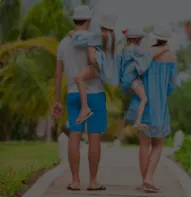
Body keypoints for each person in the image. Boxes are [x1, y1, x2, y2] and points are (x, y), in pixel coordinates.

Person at [52, 5, 107, 191]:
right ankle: (93, 181)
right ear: (89, 21)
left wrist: (57, 100)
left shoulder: (63, 43)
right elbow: (100, 65)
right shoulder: (93, 40)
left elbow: (58, 74)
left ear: (74, 21)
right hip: (96, 94)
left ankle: (75, 181)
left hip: (74, 94)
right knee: (94, 137)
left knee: (74, 134)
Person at [125, 24, 177, 193]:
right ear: (167, 39)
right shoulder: (171, 56)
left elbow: (135, 74)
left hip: (143, 102)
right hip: (159, 105)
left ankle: (144, 181)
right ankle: (149, 178)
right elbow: (172, 84)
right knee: (158, 144)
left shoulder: (146, 52)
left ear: (154, 37)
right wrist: (162, 93)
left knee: (143, 145)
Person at [69, 14, 119, 124]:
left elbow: (79, 43)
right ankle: (86, 108)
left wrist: (73, 35)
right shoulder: (113, 37)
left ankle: (85, 108)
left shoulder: (100, 36)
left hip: (97, 67)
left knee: (78, 78)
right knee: (82, 79)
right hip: (107, 71)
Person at [119, 27, 169, 130]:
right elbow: (149, 54)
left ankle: (129, 117)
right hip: (132, 79)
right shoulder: (134, 49)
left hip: (127, 79)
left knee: (139, 96)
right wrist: (164, 49)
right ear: (137, 39)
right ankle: (137, 122)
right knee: (144, 98)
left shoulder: (126, 49)